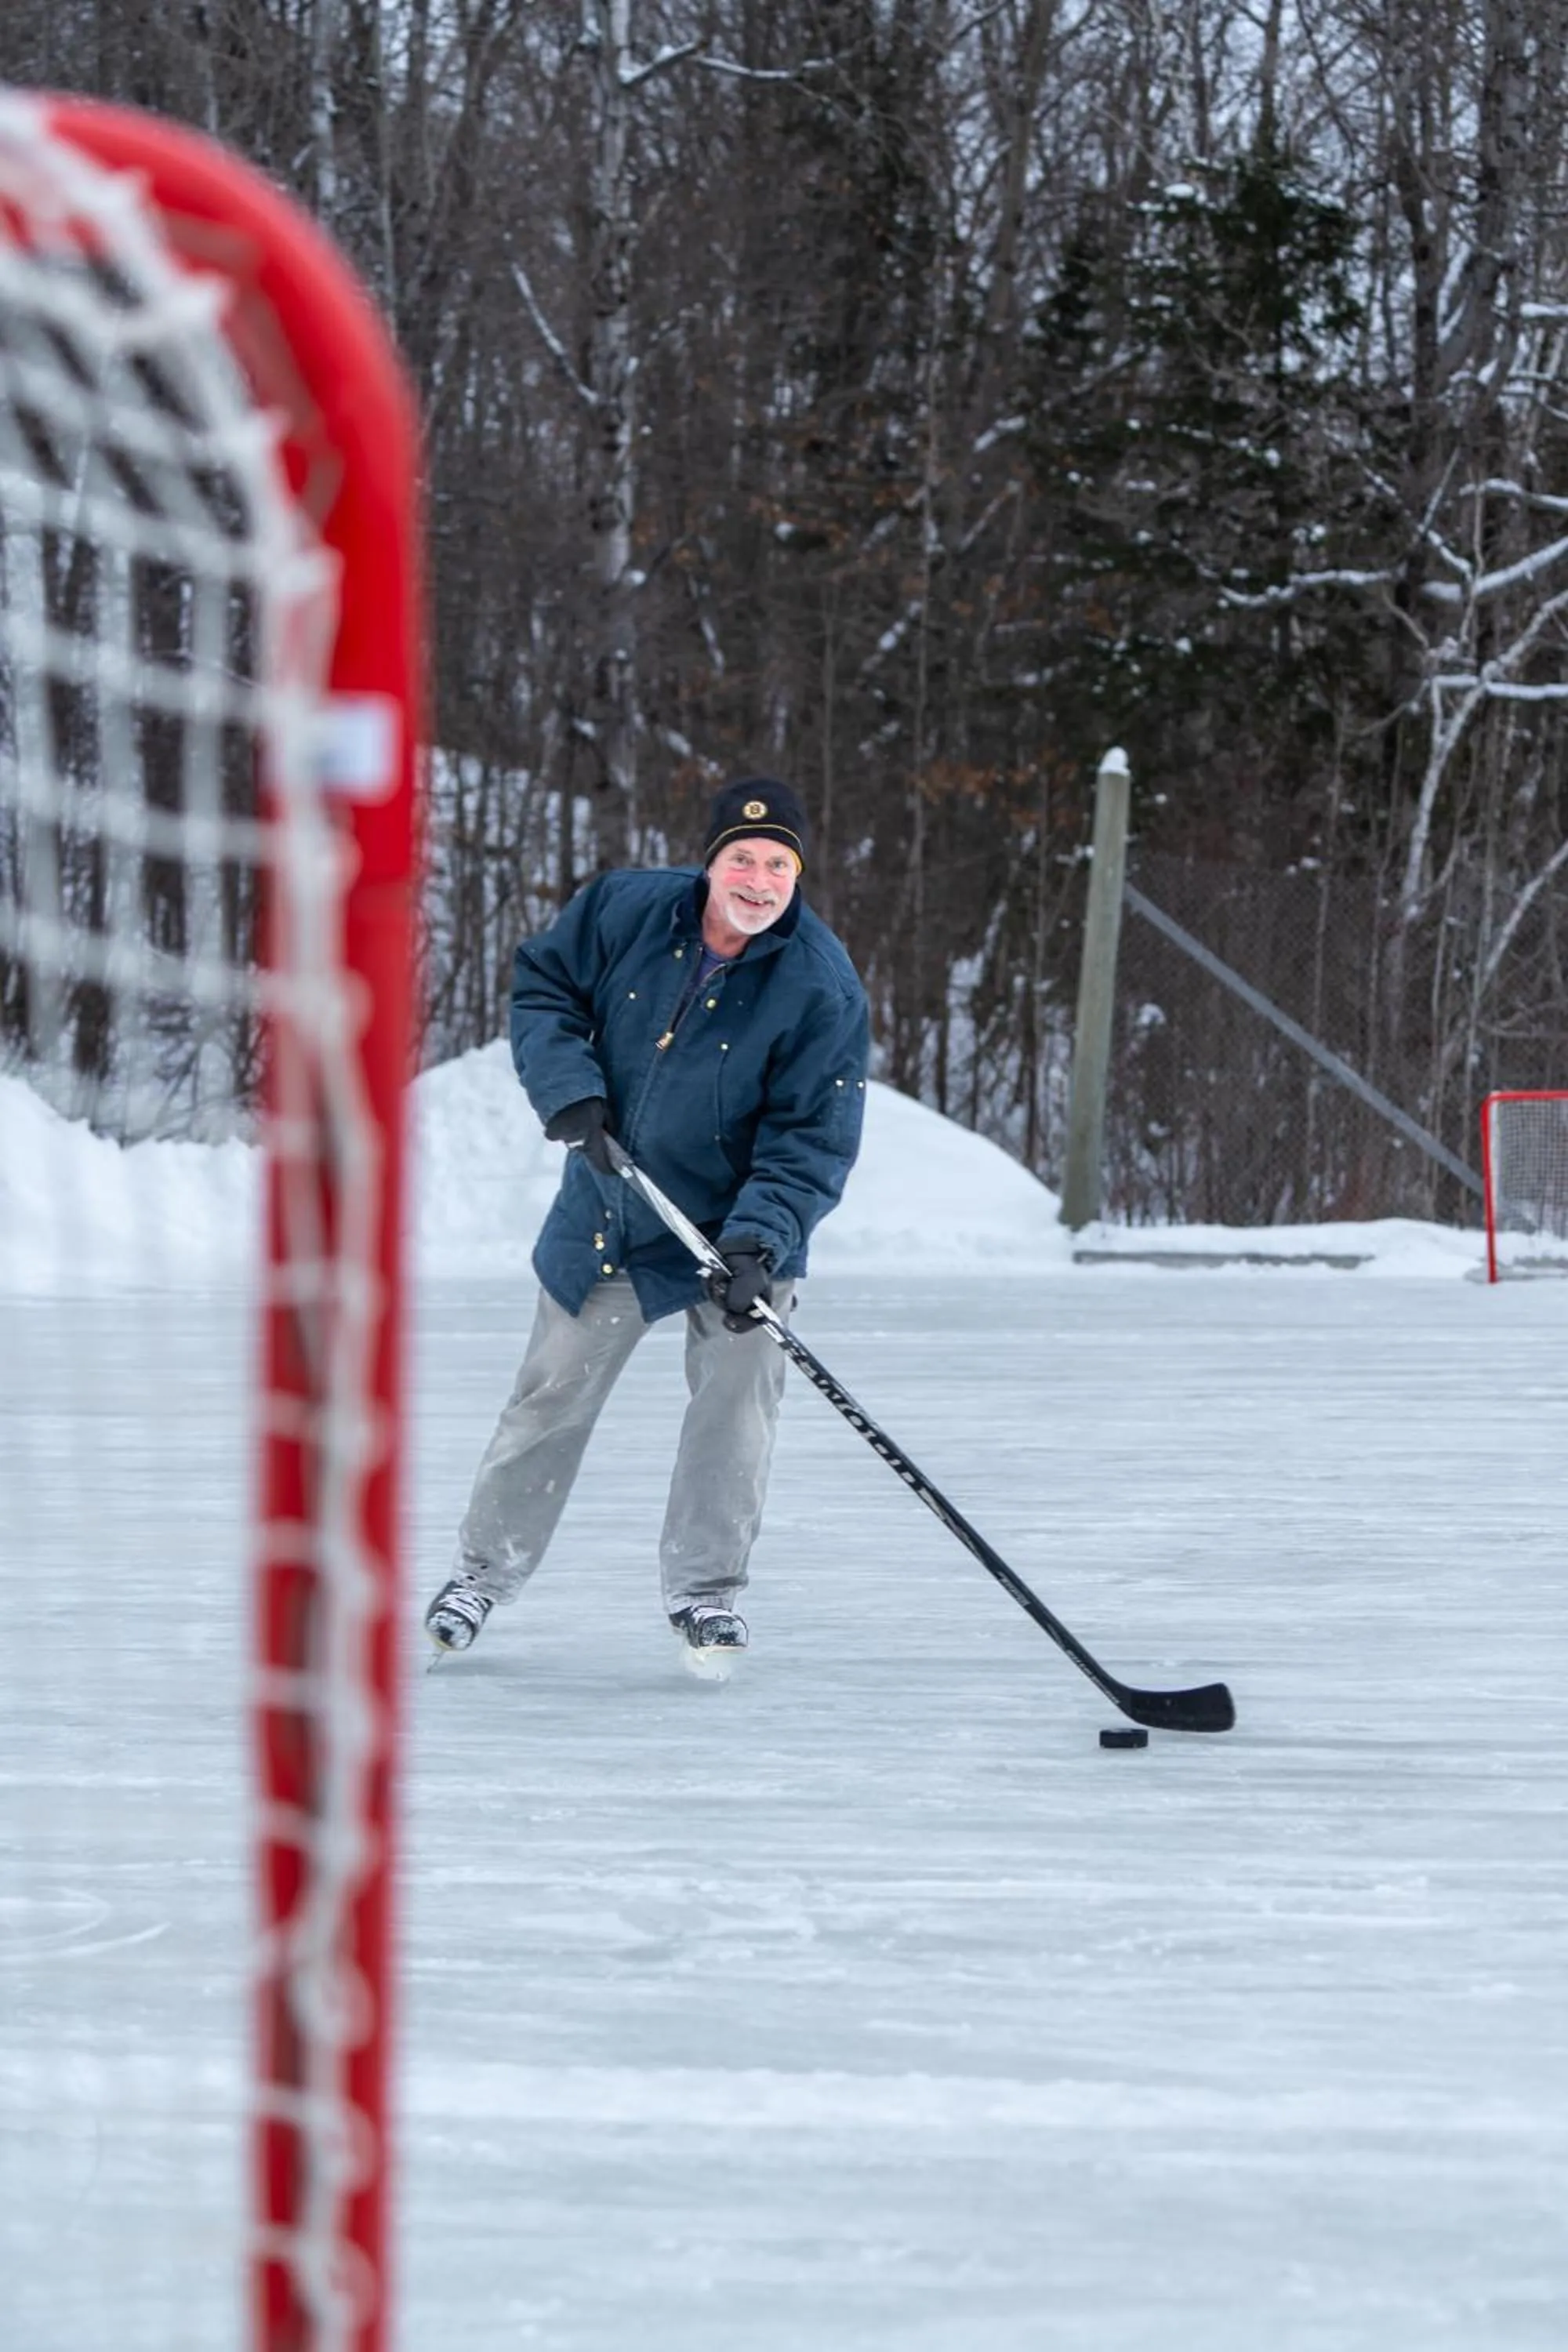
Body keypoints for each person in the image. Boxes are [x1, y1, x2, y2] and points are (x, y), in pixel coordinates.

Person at [425, 777, 870, 1673]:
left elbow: (811, 1140)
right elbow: (542, 987)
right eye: (740, 858)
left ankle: (705, 1594)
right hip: (612, 1207)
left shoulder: (819, 987)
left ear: (798, 874)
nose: (756, 879)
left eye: (776, 864)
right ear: (709, 862)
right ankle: (481, 1573)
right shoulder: (624, 910)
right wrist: (568, 1090)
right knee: (549, 1397)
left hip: (738, 1236)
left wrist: (757, 1244)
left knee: (736, 1406)